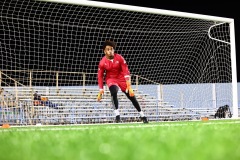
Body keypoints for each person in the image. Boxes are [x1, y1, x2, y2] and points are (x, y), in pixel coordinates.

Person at [97, 40, 148, 123]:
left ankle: (142, 115)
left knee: (131, 96)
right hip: (111, 78)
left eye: (112, 49)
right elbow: (100, 76)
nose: (110, 51)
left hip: (121, 78)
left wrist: (129, 86)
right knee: (113, 91)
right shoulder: (102, 62)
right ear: (105, 51)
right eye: (108, 49)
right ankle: (117, 115)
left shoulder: (120, 58)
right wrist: (101, 89)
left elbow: (126, 72)